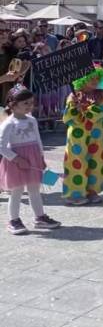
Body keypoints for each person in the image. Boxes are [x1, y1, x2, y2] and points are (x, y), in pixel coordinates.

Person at [0, 86, 61, 234]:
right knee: (17, 191)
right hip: (16, 162)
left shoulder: (32, 120)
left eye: (31, 103)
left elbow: (38, 140)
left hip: (33, 158)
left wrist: (41, 157)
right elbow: (1, 146)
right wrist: (16, 158)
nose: (29, 106)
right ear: (13, 105)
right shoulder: (9, 123)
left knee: (34, 189)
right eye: (25, 103)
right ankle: (13, 220)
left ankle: (40, 217)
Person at [62, 67, 103, 205]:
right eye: (91, 78)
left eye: (97, 78)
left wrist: (87, 109)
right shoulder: (73, 95)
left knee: (96, 162)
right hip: (78, 134)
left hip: (96, 134)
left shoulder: (102, 94)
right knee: (76, 162)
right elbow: (68, 118)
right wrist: (74, 107)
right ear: (83, 79)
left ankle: (92, 191)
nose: (95, 81)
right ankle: (75, 193)